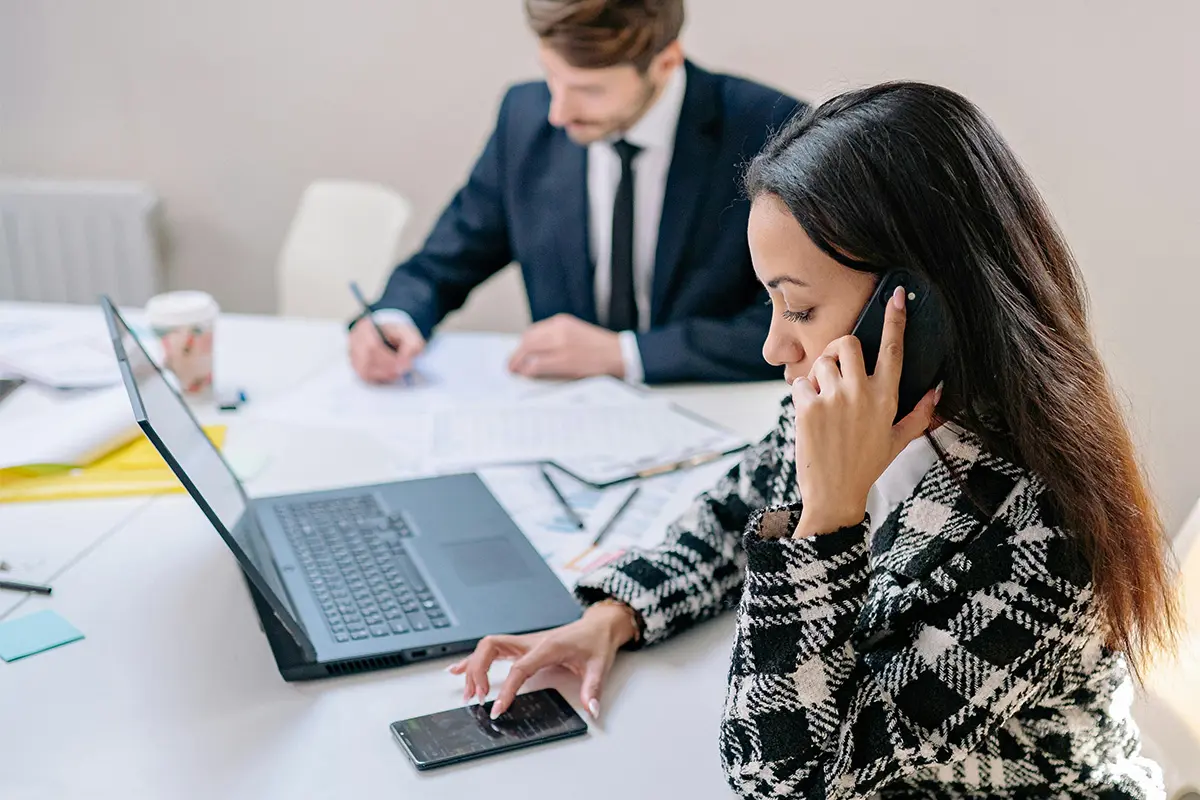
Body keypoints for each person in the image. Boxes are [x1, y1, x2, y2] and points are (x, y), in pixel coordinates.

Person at [449, 82, 1181, 798]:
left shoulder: (1043, 536)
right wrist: (613, 616)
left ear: (919, 309)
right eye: (770, 302)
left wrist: (828, 518)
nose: (774, 347)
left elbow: (784, 780)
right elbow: (731, 517)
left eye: (798, 309)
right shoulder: (842, 405)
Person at [349, 0, 803, 386]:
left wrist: (627, 355)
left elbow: (809, 320)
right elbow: (443, 261)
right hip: (563, 416)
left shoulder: (772, 127)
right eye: (551, 76)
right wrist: (394, 318)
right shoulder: (523, 118)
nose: (559, 112)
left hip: (718, 413)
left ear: (666, 62)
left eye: (589, 89)